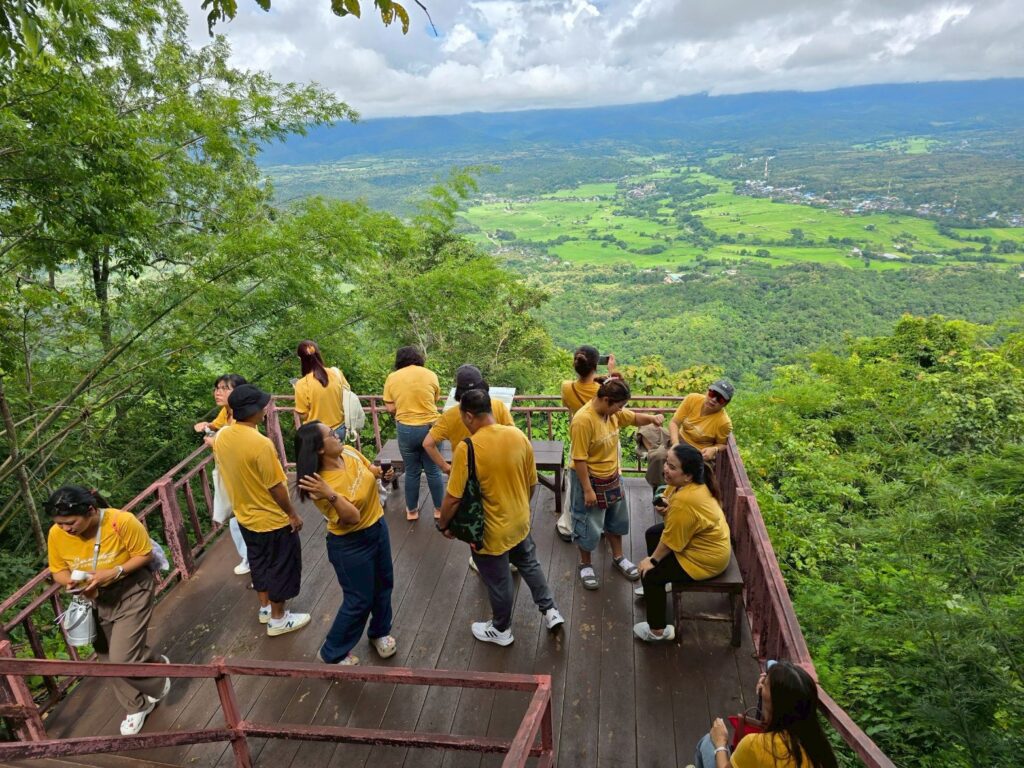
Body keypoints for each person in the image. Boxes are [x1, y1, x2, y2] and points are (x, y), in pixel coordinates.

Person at [437, 389, 565, 645]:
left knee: (498, 580)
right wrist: (518, 507)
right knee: (529, 564)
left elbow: (453, 497)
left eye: (463, 416)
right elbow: (531, 483)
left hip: (490, 532)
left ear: (470, 416)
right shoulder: (518, 436)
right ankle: (550, 611)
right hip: (519, 521)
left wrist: (443, 524)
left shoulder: (468, 448)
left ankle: (501, 629)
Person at [46, 486, 170, 736]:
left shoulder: (121, 521)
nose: (65, 529)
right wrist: (69, 582)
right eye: (60, 524)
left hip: (130, 590)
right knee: (105, 656)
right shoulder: (56, 534)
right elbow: (57, 569)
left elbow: (143, 555)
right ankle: (136, 706)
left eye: (70, 522)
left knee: (122, 658)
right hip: (93, 598)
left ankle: (159, 677)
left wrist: (114, 572)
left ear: (90, 511)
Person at [295, 421, 397, 666]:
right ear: (319, 448)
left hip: (378, 527)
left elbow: (370, 470)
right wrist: (330, 493)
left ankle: (379, 633)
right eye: (332, 434)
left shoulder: (349, 452)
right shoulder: (317, 484)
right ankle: (332, 652)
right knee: (359, 599)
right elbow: (352, 517)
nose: (338, 435)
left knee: (384, 585)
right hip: (350, 544)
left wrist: (383, 473)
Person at [213, 384, 309, 636]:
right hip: (272, 520)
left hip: (245, 516)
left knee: (259, 563)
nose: (266, 409)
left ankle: (265, 608)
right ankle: (278, 619)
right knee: (281, 566)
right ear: (254, 410)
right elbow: (276, 487)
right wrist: (292, 514)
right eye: (263, 406)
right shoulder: (261, 444)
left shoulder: (222, 437)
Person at [423, 364, 518, 575]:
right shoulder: (496, 407)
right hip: (499, 471)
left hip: (467, 477)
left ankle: (480, 557)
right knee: (500, 512)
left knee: (474, 516)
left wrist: (447, 468)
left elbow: (428, 443)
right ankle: (507, 555)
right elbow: (513, 435)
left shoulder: (450, 416)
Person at [570, 377, 664, 590]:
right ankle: (585, 564)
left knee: (616, 518)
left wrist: (652, 418)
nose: (620, 411)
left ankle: (619, 557)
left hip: (612, 475)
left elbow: (633, 418)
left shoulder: (611, 413)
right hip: (589, 478)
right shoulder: (583, 420)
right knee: (587, 523)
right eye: (618, 406)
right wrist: (587, 490)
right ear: (605, 400)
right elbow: (579, 458)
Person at [633, 442, 731, 641]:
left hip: (705, 559)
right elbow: (673, 524)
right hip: (700, 542)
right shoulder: (685, 484)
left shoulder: (686, 500)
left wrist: (651, 562)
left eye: (672, 467)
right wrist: (667, 510)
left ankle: (658, 631)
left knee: (651, 575)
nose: (665, 469)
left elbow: (670, 541)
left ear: (688, 475)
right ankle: (660, 586)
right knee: (653, 533)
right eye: (667, 463)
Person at [695, 661, 838, 768]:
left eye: (766, 684)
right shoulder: (818, 748)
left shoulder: (755, 745)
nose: (762, 685)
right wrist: (764, 696)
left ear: (776, 702)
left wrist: (720, 742)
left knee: (708, 741)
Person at [555, 345, 618, 542]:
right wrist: (611, 373)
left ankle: (568, 525)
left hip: (580, 438)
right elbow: (618, 403)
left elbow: (569, 406)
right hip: (605, 439)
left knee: (575, 484)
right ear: (595, 366)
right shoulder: (603, 389)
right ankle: (602, 525)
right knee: (606, 482)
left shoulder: (567, 387)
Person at [194, 373, 250, 575]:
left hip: (240, 472)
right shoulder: (227, 412)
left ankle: (252, 558)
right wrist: (207, 426)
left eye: (225, 388)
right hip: (229, 471)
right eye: (217, 388)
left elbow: (236, 443)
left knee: (241, 516)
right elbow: (217, 426)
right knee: (236, 517)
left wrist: (213, 442)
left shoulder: (241, 415)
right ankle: (249, 557)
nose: (218, 392)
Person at [382, 346, 443, 521]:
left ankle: (412, 511)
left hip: (407, 429)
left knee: (412, 471)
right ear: (419, 358)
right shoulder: (430, 374)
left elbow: (391, 406)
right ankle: (439, 510)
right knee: (433, 470)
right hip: (431, 427)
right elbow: (434, 399)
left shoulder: (393, 378)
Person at [645, 379, 735, 490]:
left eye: (720, 399)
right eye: (712, 394)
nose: (713, 400)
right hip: (680, 440)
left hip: (697, 452)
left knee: (687, 473)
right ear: (707, 391)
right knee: (658, 456)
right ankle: (659, 488)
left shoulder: (723, 422)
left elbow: (722, 444)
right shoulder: (693, 399)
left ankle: (675, 493)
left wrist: (714, 449)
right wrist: (675, 444)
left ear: (725, 404)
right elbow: (674, 422)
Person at [293, 340, 351, 441]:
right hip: (340, 430)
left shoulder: (302, 384)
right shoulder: (336, 373)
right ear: (319, 354)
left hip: (317, 434)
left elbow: (303, 415)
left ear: (301, 359)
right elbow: (346, 394)